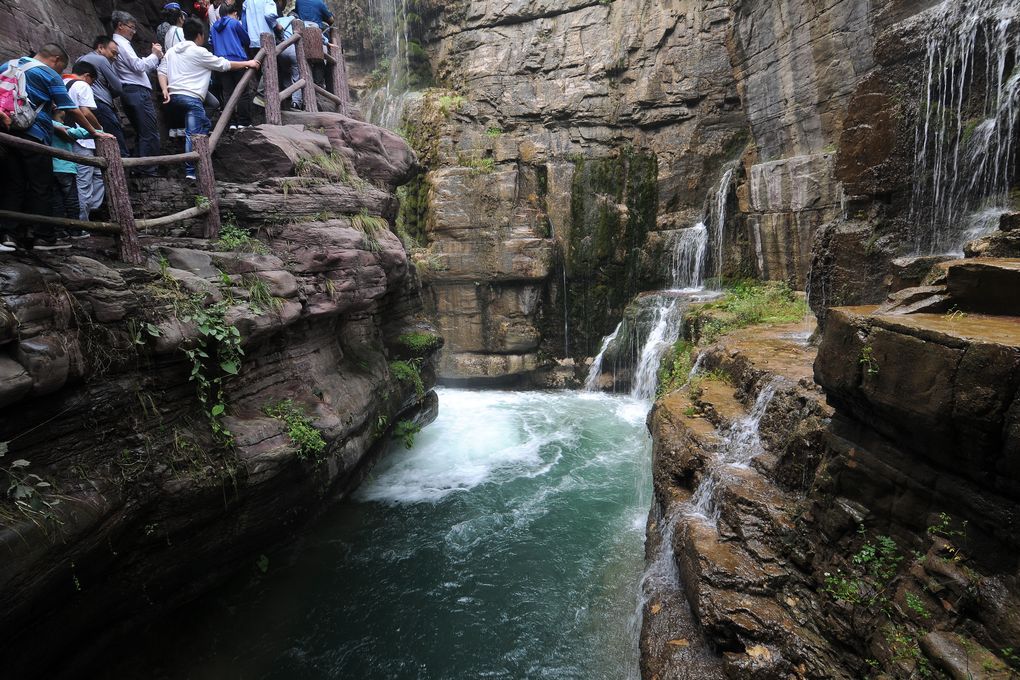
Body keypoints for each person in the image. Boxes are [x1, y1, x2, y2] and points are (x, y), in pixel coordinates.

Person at [0, 44, 98, 250]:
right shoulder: (48, 74)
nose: (60, 73)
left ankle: (8, 235)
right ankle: (43, 237)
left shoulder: (8, 66)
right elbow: (71, 108)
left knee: (13, 183)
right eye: (61, 68)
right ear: (56, 59)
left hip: (7, 133)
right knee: (40, 185)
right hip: (34, 135)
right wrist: (95, 131)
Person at [158, 18, 259, 179]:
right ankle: (191, 172)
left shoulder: (171, 51)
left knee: (213, 103)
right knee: (193, 134)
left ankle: (202, 127)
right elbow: (223, 65)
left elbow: (161, 71)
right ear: (199, 35)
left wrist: (164, 89)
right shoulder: (199, 52)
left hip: (174, 97)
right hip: (191, 99)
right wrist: (248, 63)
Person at [111, 11, 164, 175]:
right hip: (136, 91)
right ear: (120, 25)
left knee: (143, 132)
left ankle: (139, 168)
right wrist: (154, 56)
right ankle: (147, 169)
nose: (133, 31)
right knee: (149, 132)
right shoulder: (121, 43)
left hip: (130, 91)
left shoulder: (117, 43)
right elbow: (139, 66)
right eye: (131, 28)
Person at [63, 62, 106, 224]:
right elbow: (85, 112)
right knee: (84, 183)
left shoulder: (61, 83)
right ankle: (82, 223)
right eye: (92, 82)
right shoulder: (82, 85)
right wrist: (99, 129)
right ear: (87, 76)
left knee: (96, 176)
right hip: (83, 140)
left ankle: (90, 210)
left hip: (65, 137)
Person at [76, 36, 128, 155]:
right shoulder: (101, 60)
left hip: (84, 105)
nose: (115, 57)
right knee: (115, 140)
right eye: (113, 53)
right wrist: (110, 92)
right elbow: (118, 87)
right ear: (100, 48)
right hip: (101, 104)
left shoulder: (80, 60)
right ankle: (122, 169)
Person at [211, 2, 254, 127]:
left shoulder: (214, 27)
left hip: (222, 63)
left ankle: (231, 122)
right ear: (234, 13)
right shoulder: (235, 23)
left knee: (227, 93)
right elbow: (246, 40)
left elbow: (212, 43)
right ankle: (243, 122)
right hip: (238, 60)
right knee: (243, 92)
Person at [50, 108, 89, 237]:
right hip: (66, 168)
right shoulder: (58, 126)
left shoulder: (46, 125)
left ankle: (59, 231)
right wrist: (98, 130)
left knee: (57, 201)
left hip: (52, 168)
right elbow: (78, 133)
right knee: (71, 200)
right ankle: (75, 230)